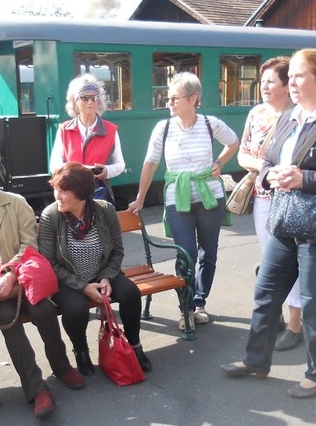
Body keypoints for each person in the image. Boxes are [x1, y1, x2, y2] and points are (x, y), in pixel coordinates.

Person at [221, 48, 316, 398]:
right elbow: (266, 161)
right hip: (287, 220)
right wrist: (269, 175)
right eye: (289, 76)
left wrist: (307, 179)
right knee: (266, 293)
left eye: (299, 75)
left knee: (314, 302)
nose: (291, 82)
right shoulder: (289, 118)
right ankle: (256, 361)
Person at [0, 150, 85, 419]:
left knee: (44, 310)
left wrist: (11, 273)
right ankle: (37, 390)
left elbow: (30, 244)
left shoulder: (16, 204)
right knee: (8, 321)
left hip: (21, 280)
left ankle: (61, 366)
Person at [127, 72, 239, 331]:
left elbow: (233, 142)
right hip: (177, 199)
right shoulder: (163, 128)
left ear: (193, 99)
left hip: (209, 197)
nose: (169, 103)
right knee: (186, 253)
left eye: (174, 98)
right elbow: (150, 163)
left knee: (208, 252)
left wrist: (220, 163)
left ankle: (199, 302)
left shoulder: (210, 124)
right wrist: (140, 198)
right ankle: (185, 308)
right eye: (168, 98)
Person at [38, 162, 152, 376]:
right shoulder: (50, 216)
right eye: (56, 189)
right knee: (76, 309)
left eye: (64, 191)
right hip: (68, 280)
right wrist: (82, 286)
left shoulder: (104, 210)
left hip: (102, 273)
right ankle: (81, 351)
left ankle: (135, 345)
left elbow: (117, 250)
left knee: (130, 293)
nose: (57, 196)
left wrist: (107, 277)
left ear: (81, 192)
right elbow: (49, 262)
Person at [237, 56, 303, 352]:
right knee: (271, 259)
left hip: (292, 199)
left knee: (294, 261)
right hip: (263, 196)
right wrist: (265, 168)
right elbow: (242, 154)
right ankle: (276, 315)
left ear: (287, 85)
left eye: (270, 82)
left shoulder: (299, 116)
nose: (264, 87)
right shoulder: (256, 114)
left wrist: (278, 172)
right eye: (262, 81)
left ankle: (295, 325)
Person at [49, 74, 126, 204]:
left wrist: (106, 171)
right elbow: (54, 166)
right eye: (84, 98)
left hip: (99, 194)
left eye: (94, 97)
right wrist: (75, 172)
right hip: (70, 193)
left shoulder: (110, 130)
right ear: (75, 102)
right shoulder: (64, 129)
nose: (90, 102)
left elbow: (120, 165)